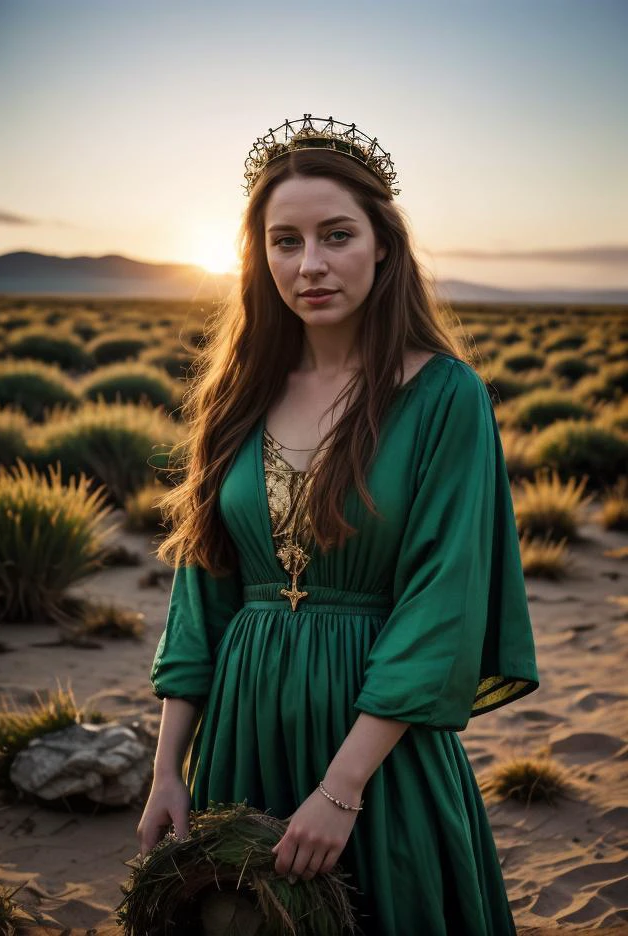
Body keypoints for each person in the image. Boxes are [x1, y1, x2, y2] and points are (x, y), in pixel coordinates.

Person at [137, 114, 540, 935]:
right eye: (285, 241)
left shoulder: (444, 397)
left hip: (374, 746)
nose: (310, 264)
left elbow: (441, 606)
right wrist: (166, 770)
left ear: (383, 245)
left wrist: (340, 789)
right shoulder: (236, 397)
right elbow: (200, 596)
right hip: (241, 734)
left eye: (336, 235)